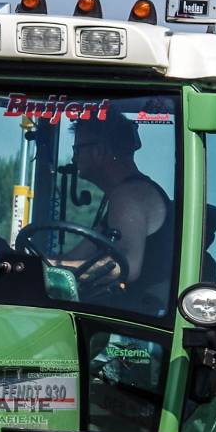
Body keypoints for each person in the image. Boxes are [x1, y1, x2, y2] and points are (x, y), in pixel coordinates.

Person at [68, 113, 172, 306]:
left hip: (133, 325)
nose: (74, 158)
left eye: (77, 149)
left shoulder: (129, 196)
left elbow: (127, 265)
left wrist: (56, 270)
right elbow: (78, 255)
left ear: (98, 151)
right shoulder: (123, 195)